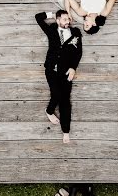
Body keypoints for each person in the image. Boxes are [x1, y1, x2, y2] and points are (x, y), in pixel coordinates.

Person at [35, 9, 82, 143]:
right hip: (51, 69)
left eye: (68, 19)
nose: (68, 21)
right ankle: (49, 111)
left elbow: (78, 53)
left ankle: (66, 131)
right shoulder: (51, 30)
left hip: (66, 71)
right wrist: (51, 14)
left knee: (65, 101)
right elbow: (38, 17)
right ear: (58, 20)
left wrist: (73, 68)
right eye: (64, 19)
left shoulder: (76, 33)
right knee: (56, 94)